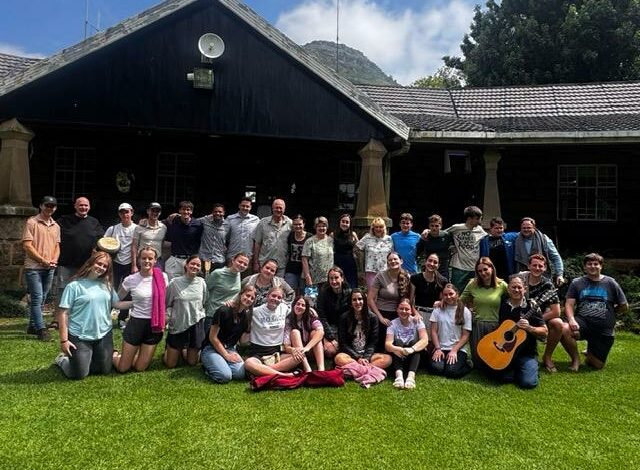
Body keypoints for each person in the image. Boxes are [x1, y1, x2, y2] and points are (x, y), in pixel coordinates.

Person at [53, 251, 131, 380]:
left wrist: (137, 302)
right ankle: (62, 360)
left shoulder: (106, 285)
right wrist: (64, 340)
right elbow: (63, 313)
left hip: (103, 334)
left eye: (105, 266)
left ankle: (98, 354)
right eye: (98, 264)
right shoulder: (74, 286)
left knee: (104, 370)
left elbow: (117, 304)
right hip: (80, 335)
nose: (101, 268)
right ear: (91, 263)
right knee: (79, 374)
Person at [561, 253, 628, 371]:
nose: (593, 266)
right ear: (585, 267)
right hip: (583, 322)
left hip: (603, 328)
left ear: (601, 266)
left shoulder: (611, 283)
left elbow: (624, 305)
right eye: (589, 264)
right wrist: (571, 319)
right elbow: (569, 304)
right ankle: (575, 360)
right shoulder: (577, 282)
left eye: (596, 264)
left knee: (596, 365)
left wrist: (612, 313)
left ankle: (591, 352)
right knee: (564, 328)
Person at [112, 246, 168, 373]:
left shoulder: (162, 277)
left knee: (140, 368)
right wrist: (134, 303)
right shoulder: (131, 279)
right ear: (138, 260)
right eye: (143, 258)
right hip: (136, 323)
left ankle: (133, 356)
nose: (147, 261)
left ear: (155, 261)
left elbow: (166, 300)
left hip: (154, 325)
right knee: (123, 368)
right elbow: (116, 301)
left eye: (150, 258)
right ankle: (114, 355)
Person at [493, 275, 548, 389]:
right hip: (505, 351)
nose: (516, 290)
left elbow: (545, 332)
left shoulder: (532, 306)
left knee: (528, 383)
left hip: (526, 353)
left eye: (519, 287)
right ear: (508, 289)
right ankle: (516, 370)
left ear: (525, 289)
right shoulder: (503, 305)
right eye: (513, 287)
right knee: (499, 377)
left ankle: (529, 367)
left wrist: (530, 328)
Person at [55, 196, 104, 309]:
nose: (83, 207)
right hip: (66, 263)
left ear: (89, 207)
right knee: (63, 291)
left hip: (86, 265)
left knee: (83, 292)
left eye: (86, 205)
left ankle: (77, 317)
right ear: (75, 206)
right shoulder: (64, 220)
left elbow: (101, 240)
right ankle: (58, 319)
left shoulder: (94, 222)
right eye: (81, 205)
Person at [201, 284, 256, 383]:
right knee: (225, 376)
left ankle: (219, 363)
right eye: (247, 295)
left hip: (229, 348)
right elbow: (212, 337)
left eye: (252, 298)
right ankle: (207, 367)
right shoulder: (224, 310)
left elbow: (243, 341)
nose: (249, 299)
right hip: (211, 347)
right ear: (240, 294)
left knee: (240, 374)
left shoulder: (246, 317)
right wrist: (226, 355)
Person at [22, 195, 60, 341]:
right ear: (41, 206)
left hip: (49, 267)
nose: (50, 208)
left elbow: (57, 246)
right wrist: (42, 260)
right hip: (34, 267)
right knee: (37, 297)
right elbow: (27, 245)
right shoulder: (32, 222)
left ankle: (32, 325)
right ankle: (41, 329)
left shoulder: (56, 226)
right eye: (47, 205)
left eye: (53, 206)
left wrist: (54, 260)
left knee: (42, 297)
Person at [244, 287, 303, 377]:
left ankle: (263, 371)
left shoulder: (284, 308)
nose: (276, 299)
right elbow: (239, 312)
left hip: (277, 353)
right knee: (248, 363)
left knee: (299, 357)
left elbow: (298, 310)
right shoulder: (255, 312)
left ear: (282, 300)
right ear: (267, 296)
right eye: (273, 296)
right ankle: (285, 375)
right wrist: (230, 304)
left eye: (279, 297)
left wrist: (310, 310)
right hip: (258, 353)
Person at [518, 254, 562, 373]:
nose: (537, 268)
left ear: (545, 268)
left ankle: (547, 357)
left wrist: (536, 320)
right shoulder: (520, 280)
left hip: (538, 318)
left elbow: (556, 311)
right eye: (534, 265)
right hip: (518, 316)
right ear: (528, 266)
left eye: (540, 266)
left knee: (558, 323)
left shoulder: (548, 285)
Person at [460, 257, 508, 364]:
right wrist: (468, 311)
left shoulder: (502, 285)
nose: (483, 273)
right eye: (480, 271)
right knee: (477, 359)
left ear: (491, 268)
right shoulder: (473, 284)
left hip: (495, 325)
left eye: (485, 269)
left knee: (492, 357)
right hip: (477, 324)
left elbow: (514, 297)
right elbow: (460, 301)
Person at [164, 255, 207, 368]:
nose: (195, 266)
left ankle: (184, 349)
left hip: (196, 323)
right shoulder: (174, 283)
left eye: (198, 265)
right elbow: (167, 303)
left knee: (192, 362)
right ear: (186, 265)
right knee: (171, 364)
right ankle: (170, 348)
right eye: (192, 263)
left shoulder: (202, 283)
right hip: (179, 323)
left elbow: (203, 301)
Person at [334, 289, 391, 369]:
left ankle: (357, 369)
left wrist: (365, 358)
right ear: (350, 302)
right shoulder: (344, 318)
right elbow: (343, 343)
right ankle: (367, 369)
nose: (357, 302)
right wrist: (358, 358)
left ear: (364, 300)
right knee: (339, 358)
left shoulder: (373, 318)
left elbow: (373, 342)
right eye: (354, 300)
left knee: (388, 359)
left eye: (360, 299)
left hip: (368, 355)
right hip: (351, 356)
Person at [367, 252, 412, 351]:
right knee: (381, 342)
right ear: (387, 262)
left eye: (395, 259)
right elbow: (370, 299)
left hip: (399, 313)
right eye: (390, 260)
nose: (393, 261)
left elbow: (409, 298)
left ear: (401, 261)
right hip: (381, 313)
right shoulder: (381, 276)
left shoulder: (406, 276)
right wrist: (380, 317)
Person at [428, 283, 472, 379]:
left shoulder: (465, 311)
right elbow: (434, 331)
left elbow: (465, 335)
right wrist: (438, 348)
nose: (448, 297)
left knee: (451, 372)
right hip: (441, 347)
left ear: (457, 294)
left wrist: (454, 350)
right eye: (445, 295)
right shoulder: (438, 310)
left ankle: (468, 364)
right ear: (442, 296)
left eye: (451, 294)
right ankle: (443, 363)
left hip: (458, 349)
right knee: (436, 369)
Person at [105, 202, 137, 329]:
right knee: (110, 289)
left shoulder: (137, 228)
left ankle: (122, 318)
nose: (125, 214)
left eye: (127, 211)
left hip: (131, 264)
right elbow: (104, 244)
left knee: (128, 291)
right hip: (115, 263)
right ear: (119, 214)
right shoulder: (112, 229)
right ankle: (105, 315)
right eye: (122, 212)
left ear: (132, 213)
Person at [385, 298, 428, 389]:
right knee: (398, 342)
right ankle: (399, 376)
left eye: (407, 309)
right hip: (399, 355)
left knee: (415, 343)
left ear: (411, 310)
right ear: (397, 309)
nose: (404, 311)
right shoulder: (393, 324)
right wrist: (397, 349)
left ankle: (411, 377)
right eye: (401, 308)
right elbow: (387, 344)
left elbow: (425, 340)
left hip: (413, 355)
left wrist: (412, 349)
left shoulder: (417, 322)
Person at [204, 252, 250, 335]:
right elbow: (205, 290)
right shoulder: (218, 273)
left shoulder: (238, 274)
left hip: (228, 316)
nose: (242, 265)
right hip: (213, 315)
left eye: (245, 264)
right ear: (233, 260)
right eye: (240, 262)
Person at [442, 206, 486, 292]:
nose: (479, 221)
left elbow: (488, 238)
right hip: (459, 267)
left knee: (472, 294)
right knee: (456, 292)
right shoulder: (457, 228)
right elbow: (441, 234)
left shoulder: (480, 230)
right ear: (469, 218)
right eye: (477, 219)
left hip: (474, 268)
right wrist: (451, 246)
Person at [513, 217, 564, 287]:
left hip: (542, 276)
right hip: (522, 278)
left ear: (534, 228)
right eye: (524, 228)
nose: (526, 230)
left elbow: (555, 257)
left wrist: (560, 274)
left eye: (529, 228)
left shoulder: (544, 239)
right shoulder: (515, 239)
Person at [316, 267, 352, 358]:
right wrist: (330, 337)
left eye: (336, 278)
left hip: (344, 327)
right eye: (331, 278)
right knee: (330, 352)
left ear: (342, 278)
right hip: (329, 327)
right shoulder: (323, 294)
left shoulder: (350, 293)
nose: (334, 281)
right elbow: (322, 317)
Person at [283, 296, 325, 372]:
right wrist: (293, 350)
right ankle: (307, 368)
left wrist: (307, 348)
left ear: (306, 308)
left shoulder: (311, 317)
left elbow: (321, 332)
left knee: (315, 333)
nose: (300, 307)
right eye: (298, 304)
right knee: (295, 332)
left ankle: (321, 368)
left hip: (311, 350)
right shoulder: (289, 320)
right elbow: (286, 346)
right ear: (293, 305)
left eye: (303, 305)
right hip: (298, 353)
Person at [164, 201, 204, 281]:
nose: (186, 212)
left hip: (190, 260)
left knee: (189, 285)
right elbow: (157, 223)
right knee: (171, 284)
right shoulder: (173, 220)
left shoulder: (198, 225)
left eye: (188, 210)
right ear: (179, 211)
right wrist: (144, 220)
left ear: (191, 211)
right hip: (175, 259)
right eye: (183, 209)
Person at [252, 198, 292, 277]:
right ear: (272, 208)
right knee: (262, 286)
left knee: (277, 288)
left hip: (281, 265)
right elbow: (257, 243)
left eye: (281, 208)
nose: (278, 210)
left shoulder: (289, 223)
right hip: (264, 264)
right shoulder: (263, 223)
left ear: (284, 209)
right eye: (276, 207)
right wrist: (255, 262)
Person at [410, 253, 448, 328]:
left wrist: (441, 302)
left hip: (435, 315)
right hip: (418, 314)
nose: (432, 264)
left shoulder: (442, 281)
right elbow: (410, 300)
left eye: (435, 262)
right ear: (425, 262)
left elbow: (445, 299)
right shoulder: (415, 278)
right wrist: (415, 314)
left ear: (438, 265)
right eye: (430, 260)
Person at [354, 217, 393, 288]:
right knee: (371, 293)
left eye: (380, 227)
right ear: (373, 228)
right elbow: (357, 248)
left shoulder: (389, 239)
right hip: (370, 271)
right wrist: (361, 267)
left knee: (383, 294)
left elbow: (392, 254)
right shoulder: (367, 237)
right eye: (376, 227)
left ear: (384, 228)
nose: (378, 229)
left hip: (385, 272)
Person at [131, 202, 167, 271]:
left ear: (160, 213)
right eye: (152, 210)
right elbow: (134, 246)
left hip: (157, 261)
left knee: (157, 280)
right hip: (142, 260)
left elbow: (162, 243)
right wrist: (134, 265)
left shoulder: (163, 227)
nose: (155, 213)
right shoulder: (139, 227)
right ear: (148, 211)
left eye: (157, 211)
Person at [301, 216, 334, 291]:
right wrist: (307, 277)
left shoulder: (331, 240)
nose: (321, 228)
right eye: (319, 226)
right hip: (313, 280)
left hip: (328, 279)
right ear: (315, 227)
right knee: (312, 301)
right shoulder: (310, 241)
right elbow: (304, 259)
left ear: (327, 227)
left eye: (324, 226)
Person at [226, 197, 260, 269]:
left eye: (247, 206)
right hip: (232, 257)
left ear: (250, 207)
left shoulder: (256, 220)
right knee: (231, 279)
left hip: (248, 258)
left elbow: (257, 240)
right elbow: (225, 237)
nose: (245, 208)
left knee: (246, 279)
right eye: (243, 206)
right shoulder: (230, 219)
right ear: (239, 206)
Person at [283, 215, 312, 295]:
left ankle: (309, 306)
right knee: (290, 293)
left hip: (306, 271)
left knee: (307, 294)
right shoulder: (290, 236)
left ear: (304, 224)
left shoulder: (310, 237)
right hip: (291, 269)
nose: (298, 226)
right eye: (295, 224)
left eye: (300, 224)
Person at [198, 203, 229, 274]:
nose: (218, 213)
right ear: (212, 212)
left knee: (217, 282)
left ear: (224, 213)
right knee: (204, 280)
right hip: (205, 258)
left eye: (220, 212)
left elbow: (228, 240)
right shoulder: (205, 220)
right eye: (215, 211)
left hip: (219, 259)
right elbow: (191, 222)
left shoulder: (227, 225)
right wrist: (178, 215)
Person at [331, 213, 359, 288]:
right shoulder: (333, 234)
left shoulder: (353, 234)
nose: (345, 224)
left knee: (351, 285)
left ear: (350, 224)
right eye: (343, 221)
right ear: (339, 222)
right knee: (338, 284)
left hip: (350, 263)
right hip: (337, 262)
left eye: (347, 222)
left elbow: (358, 248)